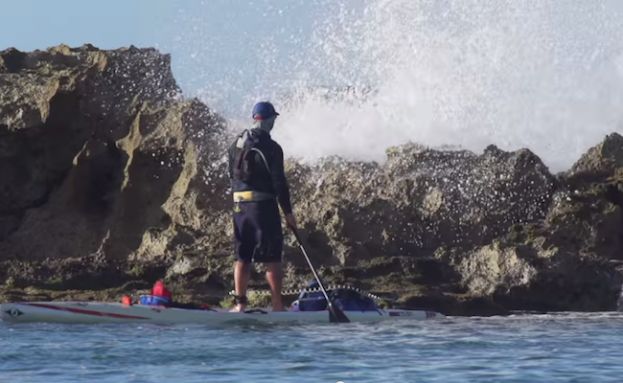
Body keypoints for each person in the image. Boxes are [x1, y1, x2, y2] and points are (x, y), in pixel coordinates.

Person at [227, 101, 297, 312]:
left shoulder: (236, 144)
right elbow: (279, 183)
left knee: (242, 256)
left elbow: (231, 174)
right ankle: (277, 306)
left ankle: (240, 305)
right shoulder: (272, 148)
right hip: (262, 207)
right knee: (272, 258)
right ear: (269, 120)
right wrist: (288, 212)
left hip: (239, 207)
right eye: (273, 119)